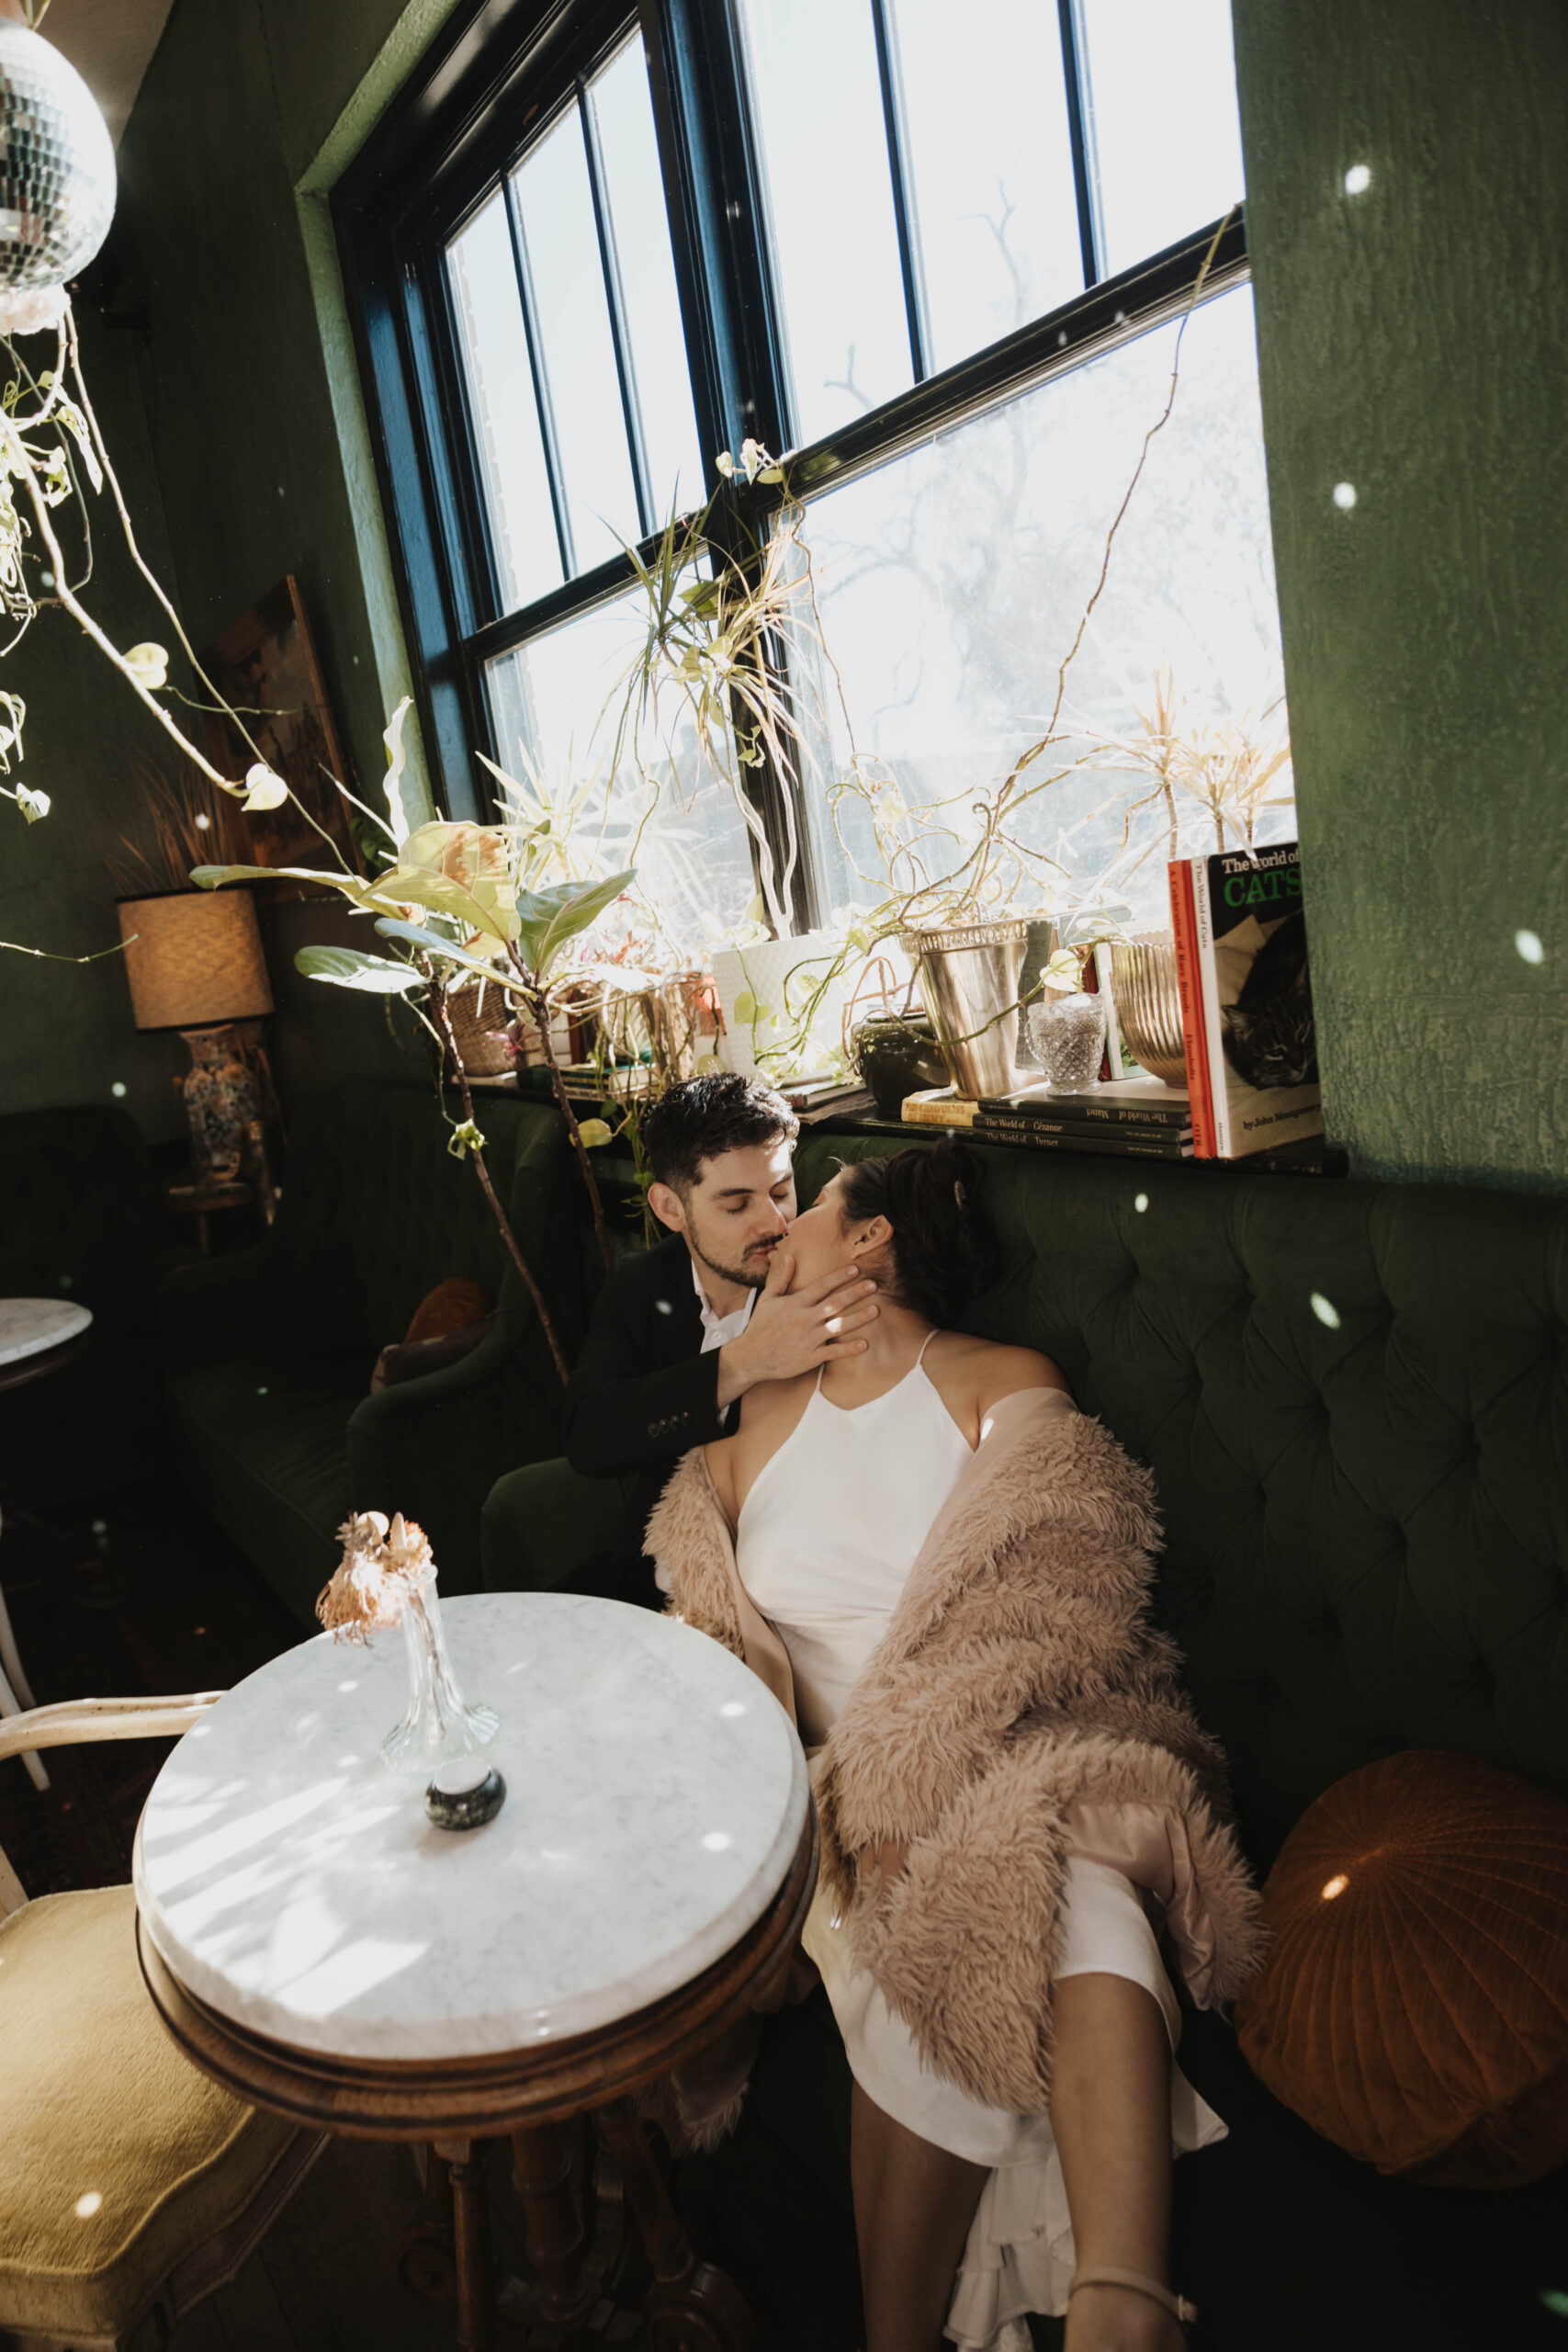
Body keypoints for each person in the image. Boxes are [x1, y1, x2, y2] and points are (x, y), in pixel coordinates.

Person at [647, 1139, 1262, 2352]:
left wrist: (921, 1785)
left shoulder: (992, 1382)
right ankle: (1117, 2304)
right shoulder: (749, 1422)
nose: (779, 1230)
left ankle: (1103, 2312)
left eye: (809, 1206)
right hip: (833, 1805)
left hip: (1010, 1742)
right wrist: (857, 1804)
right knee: (979, 1895)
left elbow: (1054, 1584)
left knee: (1038, 1858)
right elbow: (709, 1642)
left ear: (869, 1243)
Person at [561, 1071, 883, 1606]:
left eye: (782, 1191)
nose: (776, 1222)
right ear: (670, 1209)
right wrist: (739, 1365)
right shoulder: (641, 1285)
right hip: (656, 1577)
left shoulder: (825, 1280)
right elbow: (587, 1436)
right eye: (736, 1205)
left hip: (787, 1581)